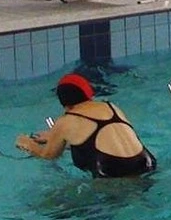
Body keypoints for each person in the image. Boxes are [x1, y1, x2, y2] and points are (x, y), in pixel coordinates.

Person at [15, 73, 156, 178]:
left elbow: (48, 155)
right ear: (89, 96)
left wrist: (27, 144)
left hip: (112, 174)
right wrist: (53, 137)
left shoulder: (66, 121)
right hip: (147, 164)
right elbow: (104, 142)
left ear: (64, 104)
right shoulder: (110, 106)